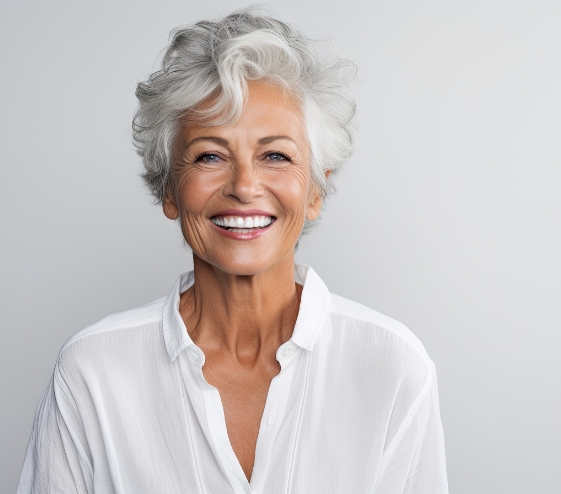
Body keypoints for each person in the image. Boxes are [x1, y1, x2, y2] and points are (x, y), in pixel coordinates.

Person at [18, 8, 448, 493]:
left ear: (314, 193)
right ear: (169, 191)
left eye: (275, 156)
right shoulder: (92, 371)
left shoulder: (393, 367)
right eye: (209, 155)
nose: (245, 186)